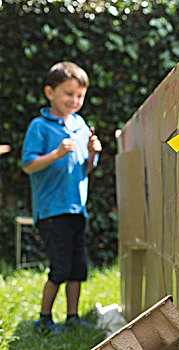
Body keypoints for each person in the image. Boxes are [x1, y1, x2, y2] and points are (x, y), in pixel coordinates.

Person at [21, 61, 102, 334]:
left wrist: (92, 153)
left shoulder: (80, 125)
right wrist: (55, 154)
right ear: (49, 92)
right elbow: (28, 165)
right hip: (51, 211)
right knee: (60, 268)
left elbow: (87, 169)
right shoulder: (39, 127)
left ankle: (72, 318)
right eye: (68, 94)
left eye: (80, 95)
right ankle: (44, 319)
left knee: (78, 269)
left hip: (77, 209)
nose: (74, 100)